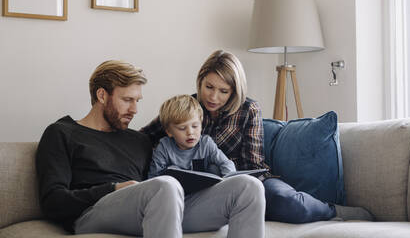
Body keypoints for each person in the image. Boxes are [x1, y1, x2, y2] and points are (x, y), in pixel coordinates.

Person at [36, 60, 265, 238]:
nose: (135, 109)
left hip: (156, 207)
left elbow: (175, 136)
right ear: (102, 95)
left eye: (138, 101)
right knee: (164, 185)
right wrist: (113, 188)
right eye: (127, 100)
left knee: (248, 187)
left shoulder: (139, 140)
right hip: (92, 213)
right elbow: (53, 202)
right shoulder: (62, 133)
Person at [141, 50, 374, 223]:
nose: (213, 97)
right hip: (204, 194)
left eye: (223, 91)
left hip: (252, 183)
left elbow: (253, 164)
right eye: (208, 87)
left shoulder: (248, 109)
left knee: (289, 204)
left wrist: (227, 177)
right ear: (200, 81)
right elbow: (142, 138)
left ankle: (335, 211)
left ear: (234, 90)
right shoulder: (186, 109)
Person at [147, 94, 236, 179]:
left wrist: (228, 181)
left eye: (195, 126)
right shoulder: (164, 147)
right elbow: (154, 177)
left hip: (204, 190)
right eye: (182, 128)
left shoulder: (206, 143)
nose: (190, 132)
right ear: (169, 132)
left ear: (201, 125)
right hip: (176, 192)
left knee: (214, 169)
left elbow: (226, 163)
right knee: (171, 171)